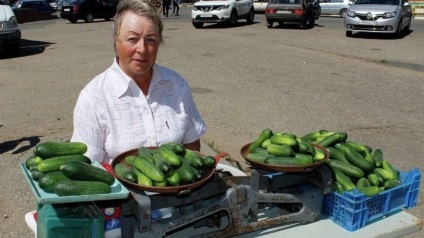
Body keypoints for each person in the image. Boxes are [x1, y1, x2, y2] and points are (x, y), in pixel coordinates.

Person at [70, 0, 207, 164]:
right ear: (116, 40)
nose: (142, 49)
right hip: (120, 189)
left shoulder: (177, 85)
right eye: (132, 39)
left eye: (150, 40)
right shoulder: (93, 98)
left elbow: (192, 145)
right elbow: (88, 166)